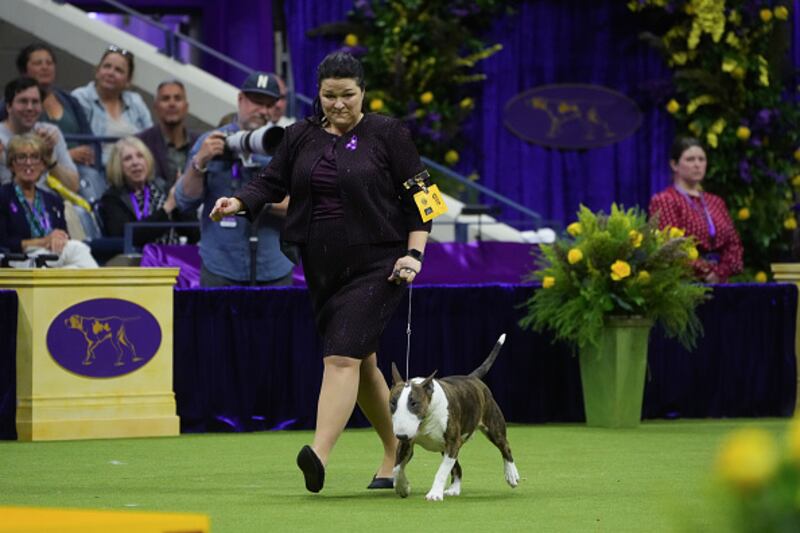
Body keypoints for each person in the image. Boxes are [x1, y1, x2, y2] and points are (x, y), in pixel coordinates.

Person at [209, 51, 433, 493]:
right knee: (364, 363)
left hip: (380, 266)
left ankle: (318, 455)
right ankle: (393, 454)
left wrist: (415, 255)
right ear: (319, 94)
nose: (338, 104)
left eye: (347, 95)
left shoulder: (388, 133)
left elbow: (423, 196)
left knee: (341, 356)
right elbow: (270, 182)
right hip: (322, 268)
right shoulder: (299, 135)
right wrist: (238, 202)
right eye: (329, 95)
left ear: (363, 92)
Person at [174, 71, 293, 287]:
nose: (262, 110)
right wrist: (200, 161)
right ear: (240, 99)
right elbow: (184, 201)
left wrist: (256, 201)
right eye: (256, 102)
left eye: (269, 105)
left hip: (273, 266)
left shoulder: (284, 146)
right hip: (220, 265)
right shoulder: (212, 141)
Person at [649, 136, 743, 283]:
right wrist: (706, 272)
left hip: (721, 282)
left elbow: (734, 245)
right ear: (674, 165)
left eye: (701, 159)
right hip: (685, 284)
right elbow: (670, 248)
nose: (697, 164)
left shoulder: (716, 202)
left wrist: (720, 273)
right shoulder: (665, 200)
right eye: (690, 159)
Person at [0, 133, 97, 268]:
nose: (29, 163)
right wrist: (43, 241)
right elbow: (3, 243)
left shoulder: (53, 201)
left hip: (51, 256)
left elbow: (63, 237)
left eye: (35, 157)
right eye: (22, 157)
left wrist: (60, 238)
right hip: (17, 260)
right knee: (77, 249)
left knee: (74, 269)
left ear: (43, 165)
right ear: (11, 165)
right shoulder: (3, 196)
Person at [99, 136, 197, 249]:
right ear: (117, 166)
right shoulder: (112, 199)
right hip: (137, 263)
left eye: (140, 156)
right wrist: (167, 208)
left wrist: (183, 199)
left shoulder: (163, 189)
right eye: (127, 159)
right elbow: (125, 238)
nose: (135, 162)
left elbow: (194, 234)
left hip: (175, 257)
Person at [71, 45, 152, 163]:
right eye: (107, 66)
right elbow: (80, 145)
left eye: (118, 70)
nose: (111, 73)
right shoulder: (80, 97)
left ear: (128, 81)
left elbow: (151, 140)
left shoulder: (136, 101)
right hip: (96, 168)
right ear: (97, 72)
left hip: (133, 169)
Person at [0, 77, 79, 193]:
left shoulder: (50, 132)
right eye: (23, 101)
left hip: (49, 204)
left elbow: (73, 186)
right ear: (9, 107)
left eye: (35, 102)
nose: (30, 108)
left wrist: (50, 160)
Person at [137, 80, 199, 187]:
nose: (172, 104)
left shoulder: (201, 142)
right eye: (165, 99)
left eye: (178, 98)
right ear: (156, 107)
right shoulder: (140, 144)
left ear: (186, 107)